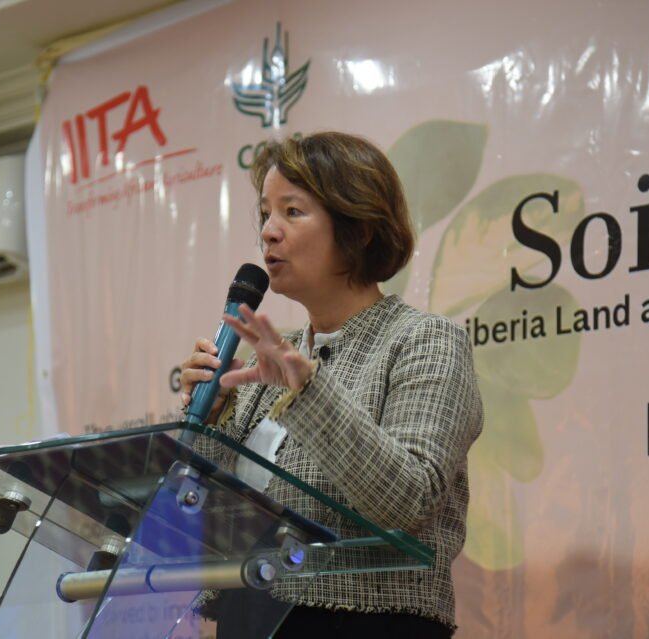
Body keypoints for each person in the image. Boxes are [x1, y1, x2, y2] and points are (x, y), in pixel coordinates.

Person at [179, 131, 483, 638]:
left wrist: (310, 392)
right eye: (265, 215)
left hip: (368, 626)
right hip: (249, 620)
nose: (268, 233)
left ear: (359, 229)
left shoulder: (425, 341)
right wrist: (211, 427)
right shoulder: (268, 358)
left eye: (292, 212)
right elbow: (214, 520)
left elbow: (408, 503)